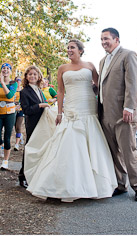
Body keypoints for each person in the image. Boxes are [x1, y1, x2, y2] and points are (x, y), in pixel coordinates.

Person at [26, 41, 116, 201]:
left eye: (72, 47)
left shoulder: (90, 65)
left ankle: (94, 184)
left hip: (88, 105)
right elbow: (60, 91)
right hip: (71, 107)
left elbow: (98, 85)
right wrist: (60, 112)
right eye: (67, 48)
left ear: (80, 50)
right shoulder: (62, 68)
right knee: (70, 143)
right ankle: (64, 185)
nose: (69, 50)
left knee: (91, 141)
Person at [97, 27, 137, 201]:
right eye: (102, 39)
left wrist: (129, 107)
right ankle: (120, 184)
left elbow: (133, 83)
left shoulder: (128, 55)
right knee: (113, 152)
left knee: (128, 151)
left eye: (107, 39)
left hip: (123, 113)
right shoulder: (103, 61)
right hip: (105, 114)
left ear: (116, 39)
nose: (104, 42)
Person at [17, 65, 54, 189]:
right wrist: (40, 106)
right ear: (26, 77)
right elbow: (26, 110)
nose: (32, 76)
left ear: (39, 76)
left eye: (35, 74)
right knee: (30, 147)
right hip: (32, 123)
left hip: (43, 122)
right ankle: (22, 176)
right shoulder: (24, 92)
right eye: (30, 74)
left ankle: (36, 173)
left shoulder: (39, 90)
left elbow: (43, 104)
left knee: (41, 147)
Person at [0, 63, 18, 170]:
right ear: (1, 71)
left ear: (10, 71)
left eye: (8, 68)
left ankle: (5, 161)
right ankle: (1, 145)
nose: (5, 70)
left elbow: (10, 95)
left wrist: (2, 83)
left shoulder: (13, 83)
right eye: (3, 68)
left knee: (7, 137)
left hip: (10, 113)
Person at [13, 75, 26, 151]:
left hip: (21, 110)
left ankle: (16, 144)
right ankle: (19, 136)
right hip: (13, 109)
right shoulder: (13, 89)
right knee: (14, 126)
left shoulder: (23, 90)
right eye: (17, 80)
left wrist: (20, 104)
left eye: (20, 80)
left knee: (18, 126)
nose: (18, 81)